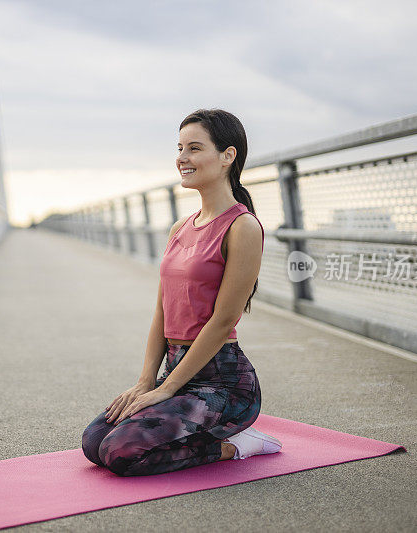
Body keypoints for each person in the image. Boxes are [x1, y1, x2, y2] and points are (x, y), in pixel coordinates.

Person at [81, 109, 282, 476]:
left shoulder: (243, 227)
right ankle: (195, 424)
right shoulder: (179, 228)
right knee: (94, 441)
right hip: (177, 369)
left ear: (228, 156)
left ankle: (237, 445)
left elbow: (223, 322)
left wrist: (166, 389)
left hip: (222, 383)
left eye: (194, 148)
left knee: (120, 453)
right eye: (179, 148)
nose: (182, 159)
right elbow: (162, 310)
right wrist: (146, 382)